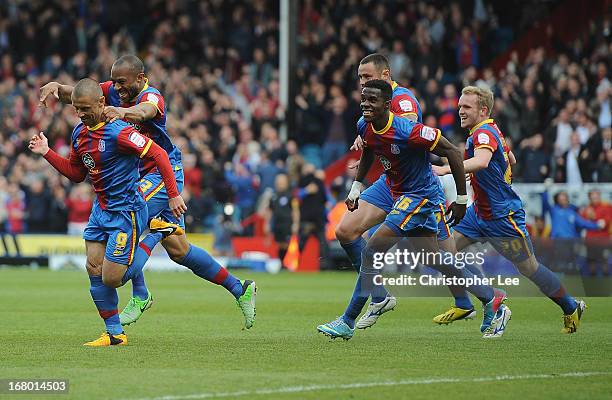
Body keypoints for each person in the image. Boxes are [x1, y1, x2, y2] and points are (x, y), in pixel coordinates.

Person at [39, 55, 256, 330]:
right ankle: (240, 288)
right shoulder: (112, 90)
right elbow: (82, 95)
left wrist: (123, 113)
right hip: (140, 174)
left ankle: (140, 293)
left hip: (162, 173)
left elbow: (145, 112)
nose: (117, 88)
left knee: (128, 215)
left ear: (141, 79)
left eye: (122, 82)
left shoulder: (153, 96)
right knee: (180, 251)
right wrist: (56, 86)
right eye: (114, 82)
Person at [317, 80, 509, 340]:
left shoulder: (409, 130)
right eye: (363, 99)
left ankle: (348, 320)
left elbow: (452, 151)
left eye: (372, 100)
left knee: (372, 249)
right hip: (400, 195)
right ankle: (492, 299)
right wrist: (356, 186)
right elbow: (371, 149)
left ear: (388, 105)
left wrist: (462, 198)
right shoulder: (365, 125)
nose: (365, 104)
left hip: (420, 196)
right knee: (436, 258)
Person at [29, 78, 186, 346]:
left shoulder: (120, 131)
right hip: (100, 211)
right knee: (92, 266)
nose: (80, 114)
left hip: (126, 211)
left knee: (113, 278)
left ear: (102, 103)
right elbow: (76, 174)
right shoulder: (79, 134)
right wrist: (47, 152)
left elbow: (159, 154)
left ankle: (157, 234)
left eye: (85, 108)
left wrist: (173, 195)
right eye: (76, 109)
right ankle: (114, 334)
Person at [433, 85, 586, 334]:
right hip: (478, 213)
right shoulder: (489, 131)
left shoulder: (483, 133)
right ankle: (489, 299)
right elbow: (510, 158)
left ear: (483, 110)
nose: (460, 110)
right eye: (460, 105)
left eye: (466, 107)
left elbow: (482, 161)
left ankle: (571, 306)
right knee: (443, 250)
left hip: (502, 218)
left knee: (529, 268)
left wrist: (447, 168)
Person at [334, 53, 464, 330]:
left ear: (385, 76)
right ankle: (378, 295)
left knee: (435, 257)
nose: (362, 83)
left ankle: (489, 298)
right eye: (359, 78)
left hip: (417, 187)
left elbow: (402, 137)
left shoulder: (403, 101)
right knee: (346, 231)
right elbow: (375, 141)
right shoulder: (368, 110)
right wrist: (357, 184)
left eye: (367, 77)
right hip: (390, 182)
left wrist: (371, 137)